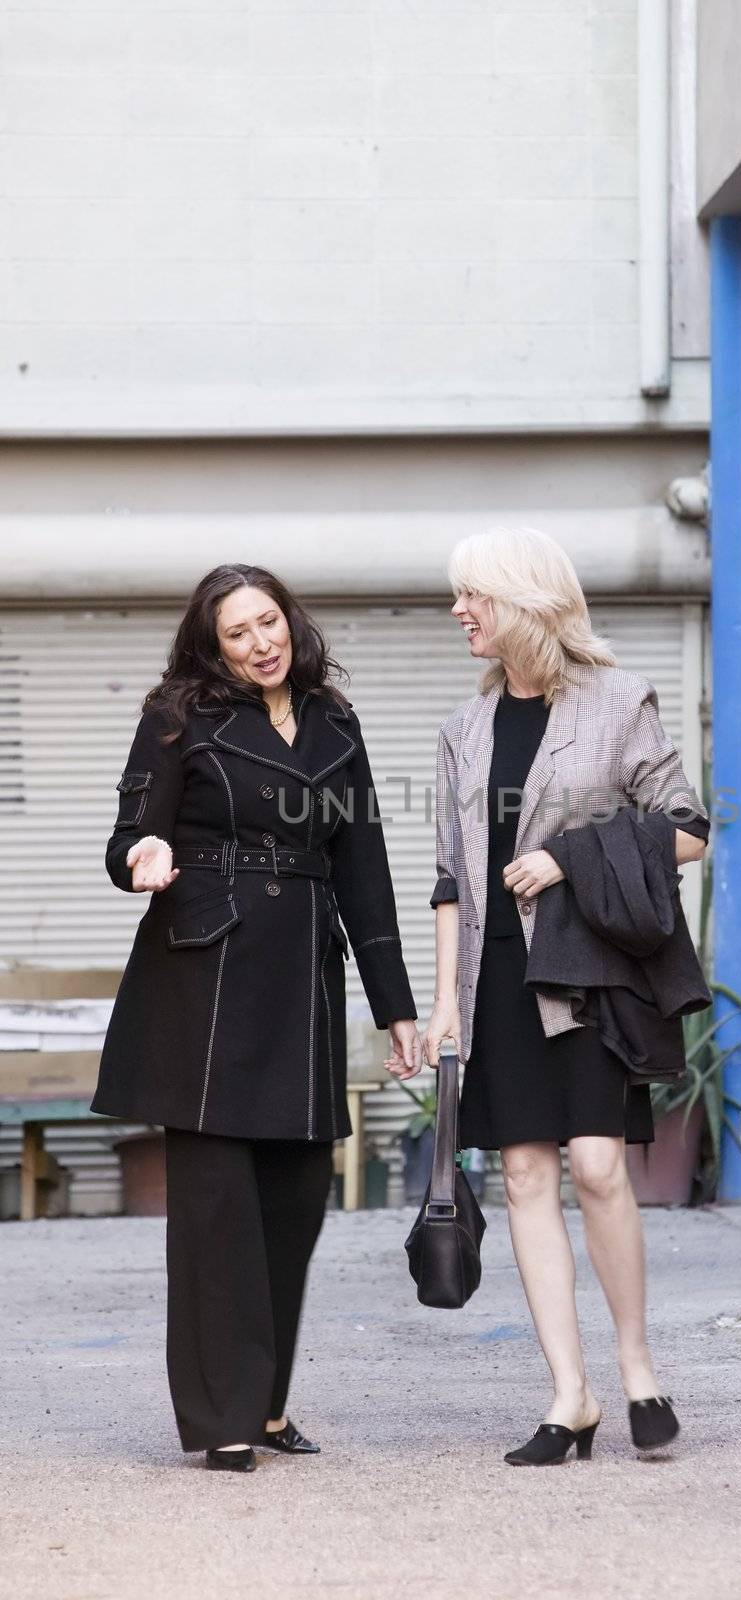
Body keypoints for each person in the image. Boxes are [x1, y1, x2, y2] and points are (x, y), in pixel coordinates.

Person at [92, 563, 420, 1471]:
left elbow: (366, 869)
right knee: (214, 1206)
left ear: (291, 621)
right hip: (205, 969)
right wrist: (143, 857)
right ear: (213, 646)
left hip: (302, 977)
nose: (259, 643)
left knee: (292, 1200)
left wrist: (396, 1008)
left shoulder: (335, 723)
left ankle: (266, 1406)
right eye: (237, 634)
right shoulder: (176, 716)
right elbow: (129, 838)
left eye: (268, 622)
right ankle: (222, 1419)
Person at [421, 528, 709, 1465]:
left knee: (595, 1166)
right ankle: (568, 1396)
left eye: (475, 595)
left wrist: (570, 857)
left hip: (585, 974)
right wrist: (443, 1003)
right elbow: (449, 881)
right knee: (522, 1175)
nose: (459, 611)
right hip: (494, 976)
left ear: (527, 602)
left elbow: (689, 831)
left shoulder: (620, 702)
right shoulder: (461, 732)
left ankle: (636, 1370)